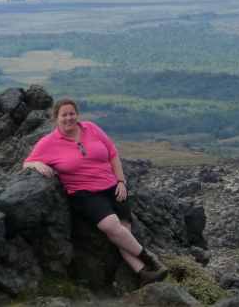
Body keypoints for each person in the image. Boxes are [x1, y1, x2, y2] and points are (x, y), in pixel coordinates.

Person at [23, 98, 167, 284]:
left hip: (111, 186)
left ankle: (142, 273)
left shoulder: (91, 128)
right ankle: (150, 259)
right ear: (56, 118)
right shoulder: (49, 142)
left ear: (77, 114)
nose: (69, 118)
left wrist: (121, 181)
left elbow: (112, 153)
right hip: (84, 193)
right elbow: (26, 162)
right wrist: (35, 163)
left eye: (72, 113)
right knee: (111, 226)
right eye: (64, 115)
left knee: (123, 232)